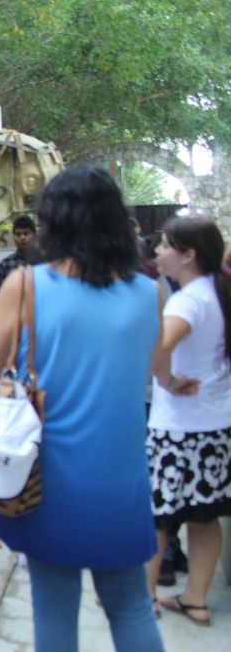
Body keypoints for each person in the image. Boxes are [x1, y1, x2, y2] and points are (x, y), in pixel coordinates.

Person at [0, 166, 183, 652]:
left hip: (47, 477)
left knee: (53, 606)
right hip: (122, 477)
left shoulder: (25, 285)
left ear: (55, 221)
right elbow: (162, 370)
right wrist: (181, 383)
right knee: (130, 604)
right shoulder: (148, 291)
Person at [145, 215, 231, 625]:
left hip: (178, 429)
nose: (157, 252)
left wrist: (166, 378)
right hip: (216, 426)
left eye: (164, 245)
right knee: (204, 514)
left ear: (188, 255)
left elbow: (157, 348)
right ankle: (195, 598)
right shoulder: (219, 291)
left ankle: (143, 601)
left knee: (157, 518)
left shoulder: (187, 300)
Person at [0, 215, 40, 300]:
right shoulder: (5, 264)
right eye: (18, 234)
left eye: (26, 233)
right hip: (14, 311)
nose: (22, 238)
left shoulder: (44, 263)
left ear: (34, 235)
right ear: (13, 237)